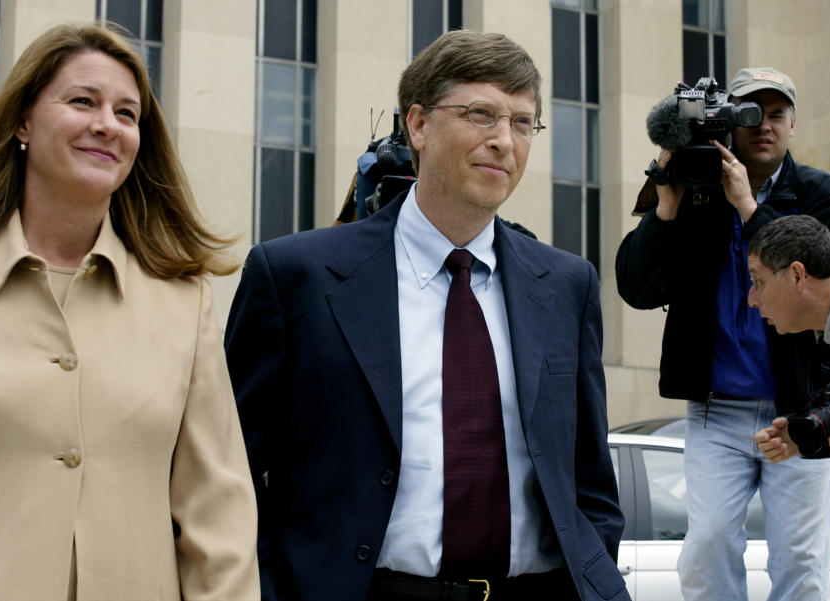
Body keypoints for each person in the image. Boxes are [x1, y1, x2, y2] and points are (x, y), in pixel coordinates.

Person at [225, 29, 628, 601]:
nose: (504, 141)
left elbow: (588, 478)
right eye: (481, 114)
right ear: (417, 125)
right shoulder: (295, 277)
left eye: (521, 122)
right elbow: (228, 470)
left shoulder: (566, 285)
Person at [0, 23, 259, 600]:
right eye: (82, 101)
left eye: (127, 114)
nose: (107, 125)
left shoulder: (182, 300)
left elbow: (215, 510)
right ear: (23, 121)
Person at [615, 66, 830, 601]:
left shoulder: (825, 195)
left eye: (776, 114)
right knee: (705, 552)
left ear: (793, 125)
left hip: (801, 407)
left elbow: (818, 284)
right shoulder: (695, 190)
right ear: (728, 124)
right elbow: (637, 287)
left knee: (800, 563)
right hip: (715, 409)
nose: (764, 126)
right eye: (750, 114)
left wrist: (749, 205)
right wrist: (667, 204)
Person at [747, 215, 830, 461]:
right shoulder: (820, 327)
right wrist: (802, 442)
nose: (752, 299)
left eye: (758, 282)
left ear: (797, 276)